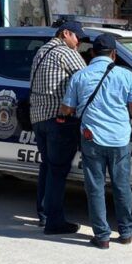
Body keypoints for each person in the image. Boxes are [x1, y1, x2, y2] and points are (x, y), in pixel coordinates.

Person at [61, 33, 132, 249]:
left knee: (95, 187)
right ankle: (126, 232)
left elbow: (67, 109)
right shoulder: (126, 76)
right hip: (119, 140)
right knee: (121, 186)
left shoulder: (80, 77)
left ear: (92, 53)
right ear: (114, 54)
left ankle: (102, 237)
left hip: (92, 139)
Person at [28, 20, 86, 235]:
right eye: (77, 36)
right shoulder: (64, 51)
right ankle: (54, 221)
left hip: (38, 118)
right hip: (58, 119)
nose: (79, 42)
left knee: (48, 166)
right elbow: (89, 77)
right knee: (57, 171)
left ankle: (43, 214)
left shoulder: (42, 51)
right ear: (65, 34)